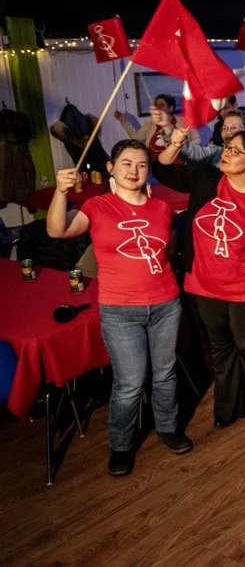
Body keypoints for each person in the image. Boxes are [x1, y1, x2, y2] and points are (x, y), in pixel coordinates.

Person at [46, 139, 191, 476]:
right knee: (130, 382)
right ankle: (122, 445)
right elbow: (58, 230)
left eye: (141, 165)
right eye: (126, 163)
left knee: (165, 373)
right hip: (120, 310)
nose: (134, 171)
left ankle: (168, 428)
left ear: (149, 170)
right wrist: (60, 192)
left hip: (166, 304)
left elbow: (168, 250)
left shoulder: (161, 208)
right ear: (110, 168)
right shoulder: (97, 207)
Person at [156, 127, 245, 434]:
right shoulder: (206, 178)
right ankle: (229, 407)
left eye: (235, 151)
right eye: (227, 147)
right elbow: (162, 171)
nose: (226, 152)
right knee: (219, 347)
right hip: (203, 286)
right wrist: (174, 144)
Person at [179, 109, 245, 202]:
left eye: (233, 128)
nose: (228, 133)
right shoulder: (217, 152)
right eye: (225, 128)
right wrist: (176, 140)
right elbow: (195, 153)